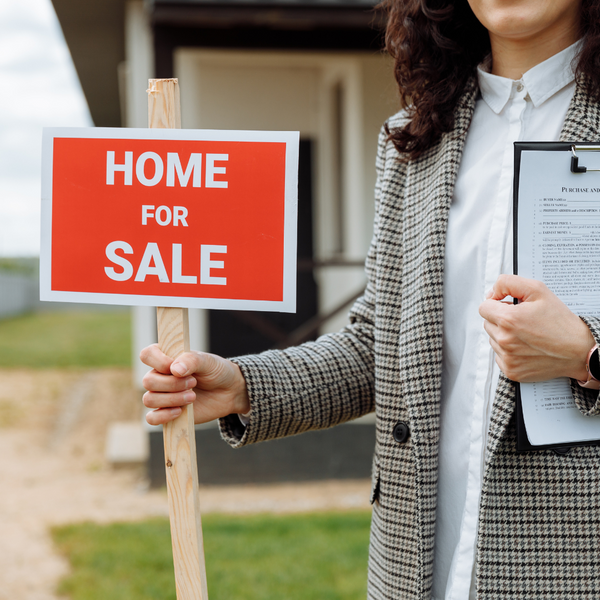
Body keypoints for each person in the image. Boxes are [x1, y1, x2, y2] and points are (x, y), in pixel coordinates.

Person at [140, 0, 600, 598]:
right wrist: (244, 385)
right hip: (414, 564)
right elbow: (378, 347)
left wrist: (587, 357)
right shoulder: (412, 138)